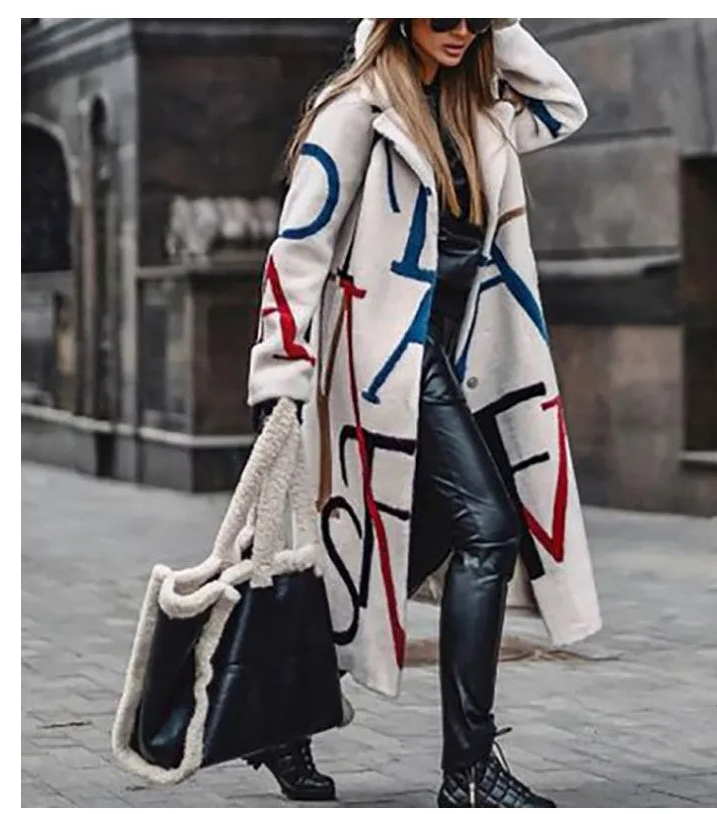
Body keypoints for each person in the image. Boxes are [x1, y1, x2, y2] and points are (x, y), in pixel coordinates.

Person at [245, 18, 601, 808]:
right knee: (490, 528)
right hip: (388, 359)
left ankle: (280, 708)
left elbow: (563, 105)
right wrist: (281, 372)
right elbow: (296, 248)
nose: (462, 28)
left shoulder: (483, 115)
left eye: (477, 14)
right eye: (444, 11)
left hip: (459, 357)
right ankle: (468, 771)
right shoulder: (356, 110)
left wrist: (496, 28)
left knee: (429, 534)